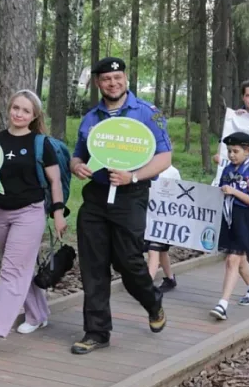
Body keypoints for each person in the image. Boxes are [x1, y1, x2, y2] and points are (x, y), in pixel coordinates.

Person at [70, 57, 170, 354]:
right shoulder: (91, 118)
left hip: (131, 195)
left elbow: (164, 158)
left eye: (117, 77)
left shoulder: (148, 113)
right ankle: (96, 332)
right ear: (98, 83)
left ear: (125, 79)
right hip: (96, 198)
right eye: (106, 79)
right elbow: (77, 155)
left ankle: (152, 302)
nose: (112, 83)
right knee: (93, 266)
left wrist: (133, 176)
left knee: (129, 262)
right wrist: (77, 167)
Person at [0, 90, 66, 349]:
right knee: (21, 269)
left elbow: (54, 181)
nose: (19, 114)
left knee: (11, 271)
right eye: (16, 108)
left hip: (29, 213)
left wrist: (57, 215)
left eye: (25, 111)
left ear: (34, 116)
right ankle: (38, 314)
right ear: (9, 108)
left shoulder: (40, 143)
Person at [213, 79, 249, 265]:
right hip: (232, 204)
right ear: (243, 97)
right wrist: (221, 155)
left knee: (239, 255)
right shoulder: (235, 117)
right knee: (235, 255)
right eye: (248, 95)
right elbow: (224, 144)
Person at [210, 132, 249, 320]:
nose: (232, 155)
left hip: (247, 219)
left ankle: (222, 304)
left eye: (236, 151)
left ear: (247, 151)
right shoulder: (227, 170)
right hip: (229, 217)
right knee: (239, 260)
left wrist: (234, 192)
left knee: (232, 260)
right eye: (229, 151)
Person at [145, 164, 181, 292]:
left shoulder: (173, 172)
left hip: (164, 219)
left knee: (153, 250)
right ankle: (170, 278)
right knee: (162, 251)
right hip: (149, 217)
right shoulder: (146, 168)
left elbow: (179, 195)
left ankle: (146, 288)